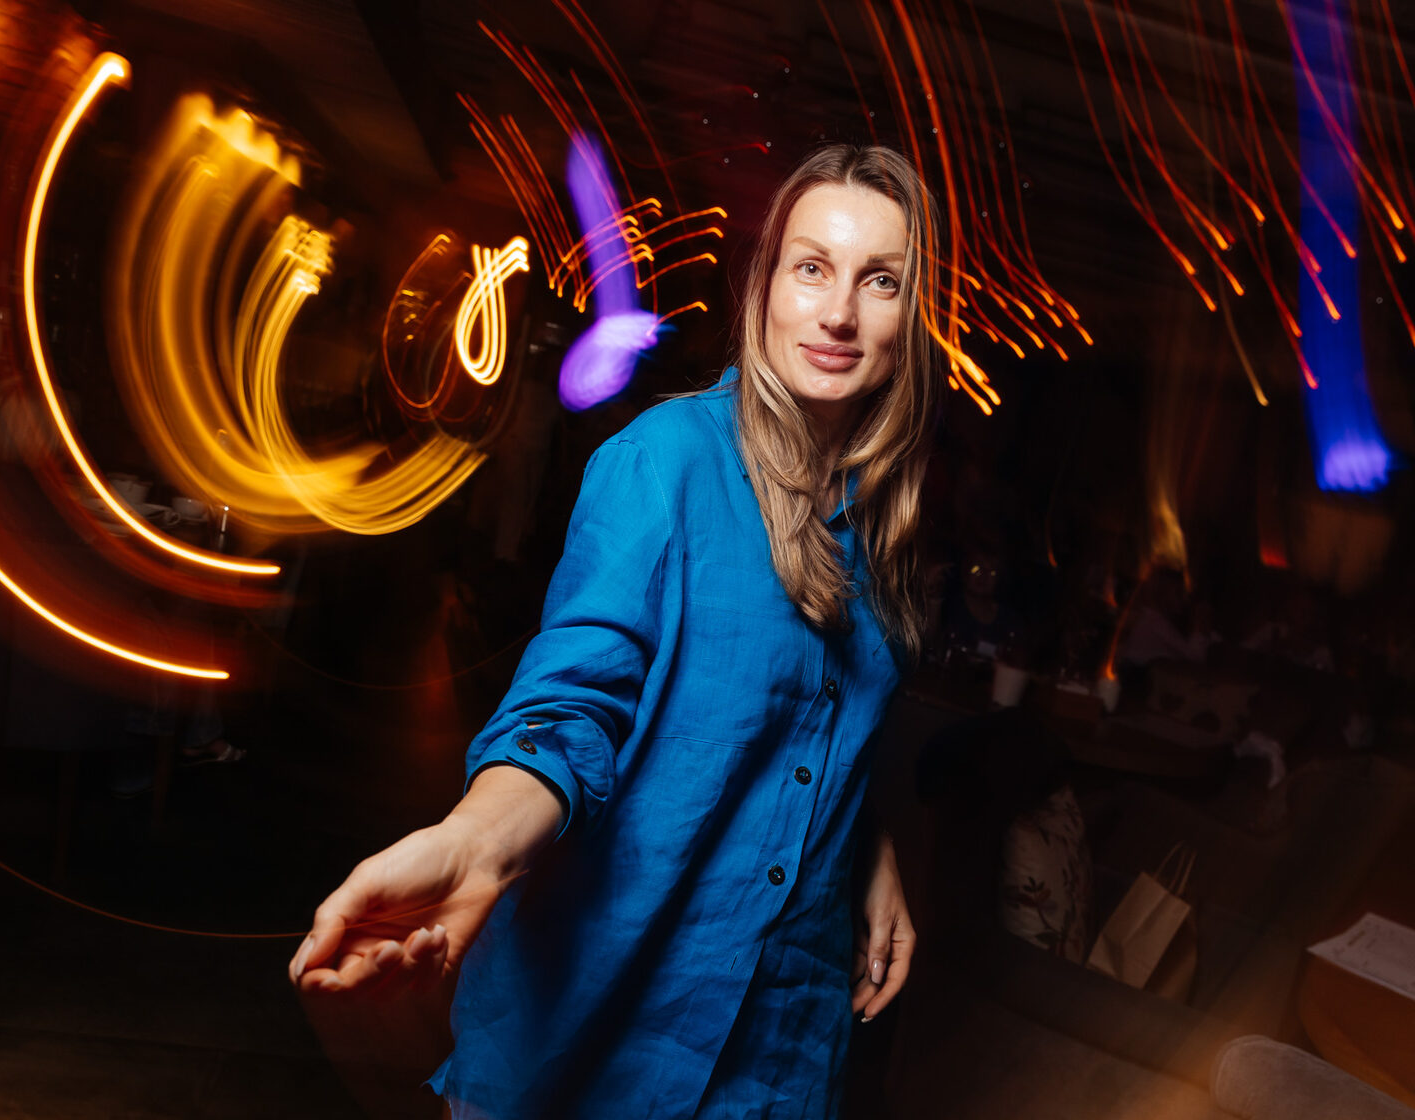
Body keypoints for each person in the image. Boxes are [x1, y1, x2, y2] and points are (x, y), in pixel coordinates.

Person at [291, 143, 939, 1118]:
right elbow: (572, 706)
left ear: (909, 313)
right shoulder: (664, 464)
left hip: (780, 1042)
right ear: (766, 287)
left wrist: (867, 843)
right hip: (608, 1030)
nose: (839, 312)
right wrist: (478, 841)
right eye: (811, 267)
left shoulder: (887, 523)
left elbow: (816, 713)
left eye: (878, 280)